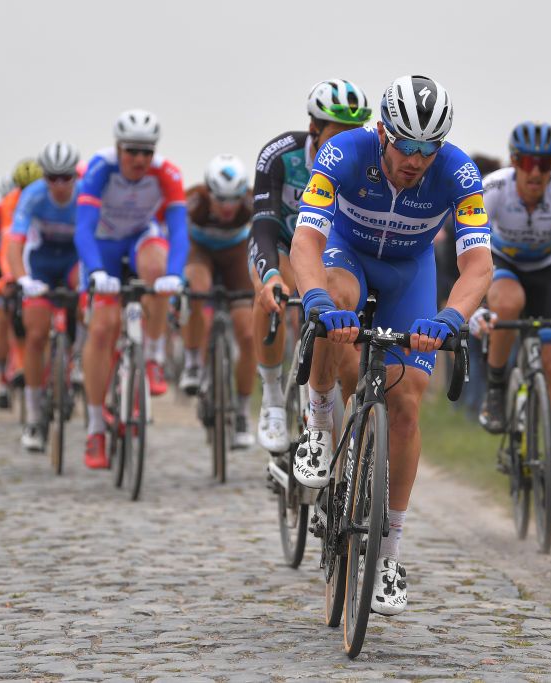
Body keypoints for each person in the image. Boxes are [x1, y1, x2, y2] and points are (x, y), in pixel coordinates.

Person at [290, 75, 492, 614]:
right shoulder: (340, 152)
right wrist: (312, 298)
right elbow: (307, 238)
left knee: (406, 401)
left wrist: (452, 316)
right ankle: (316, 419)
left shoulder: (460, 172)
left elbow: (478, 265)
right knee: (337, 298)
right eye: (406, 144)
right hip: (346, 255)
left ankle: (389, 552)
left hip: (410, 273)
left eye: (429, 148)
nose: (416, 159)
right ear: (382, 132)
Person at [470, 122, 551, 518]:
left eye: (544, 163)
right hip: (502, 265)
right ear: (514, 162)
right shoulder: (493, 189)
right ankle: (496, 388)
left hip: (549, 274)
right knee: (508, 303)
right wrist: (476, 305)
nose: (535, 172)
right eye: (527, 162)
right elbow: (470, 250)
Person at [247, 78, 373, 453]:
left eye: (354, 133)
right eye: (338, 133)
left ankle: (346, 465)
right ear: (314, 129)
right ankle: (271, 398)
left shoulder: (366, 165)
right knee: (271, 295)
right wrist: (269, 275)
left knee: (350, 367)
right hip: (284, 244)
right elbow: (264, 222)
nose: (347, 143)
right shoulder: (280, 154)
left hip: (332, 253)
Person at [75, 109, 188, 468]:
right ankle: (95, 428)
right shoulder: (98, 169)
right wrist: (94, 270)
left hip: (141, 239)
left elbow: (179, 230)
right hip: (103, 246)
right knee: (103, 328)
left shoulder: (167, 174)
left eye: (147, 152)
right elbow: (83, 228)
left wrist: (173, 275)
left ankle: (152, 356)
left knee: (158, 267)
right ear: (118, 148)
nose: (140, 159)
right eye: (132, 151)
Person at [7, 141, 81, 452]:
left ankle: (77, 359)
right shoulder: (33, 195)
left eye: (67, 178)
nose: (60, 185)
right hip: (42, 261)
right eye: (53, 178)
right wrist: (22, 279)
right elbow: (15, 243)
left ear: (76, 176)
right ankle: (35, 416)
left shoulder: (86, 193)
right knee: (36, 335)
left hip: (75, 258)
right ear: (44, 177)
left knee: (90, 302)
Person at [179, 154, 256, 448]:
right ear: (208, 192)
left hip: (236, 255)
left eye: (233, 199)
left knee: (248, 334)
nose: (227, 207)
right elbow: (171, 229)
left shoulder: (250, 203)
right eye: (221, 199)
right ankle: (192, 363)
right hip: (200, 252)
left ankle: (240, 412)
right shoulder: (193, 201)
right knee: (198, 288)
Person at [0, 159, 44, 410]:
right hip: (6, 268)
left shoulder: (48, 202)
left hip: (38, 266)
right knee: (3, 316)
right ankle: (2, 379)